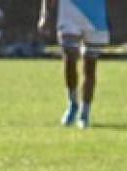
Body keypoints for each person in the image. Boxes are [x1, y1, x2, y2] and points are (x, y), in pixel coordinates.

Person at [38, 0, 110, 128]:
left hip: (95, 17)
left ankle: (85, 112)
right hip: (69, 13)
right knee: (70, 57)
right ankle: (73, 104)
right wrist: (45, 15)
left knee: (90, 66)